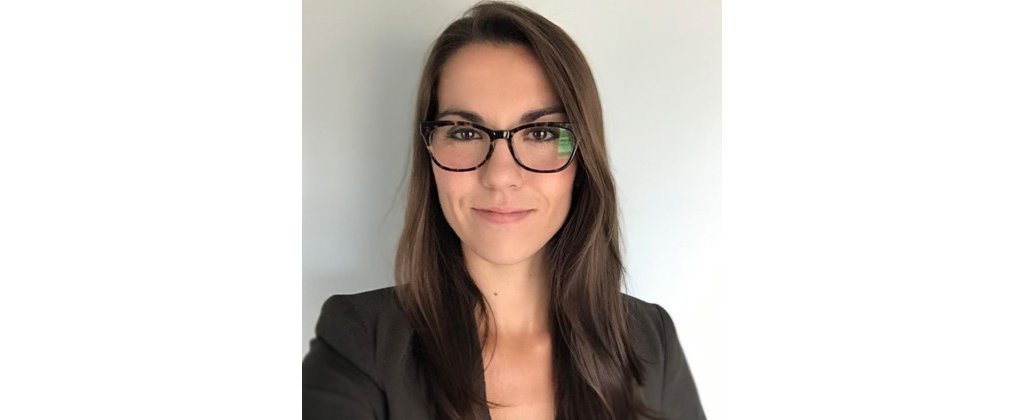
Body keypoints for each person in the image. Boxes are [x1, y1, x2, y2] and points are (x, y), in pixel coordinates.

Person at [302, 2, 706, 419]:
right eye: (464, 132)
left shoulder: (650, 340)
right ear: (430, 153)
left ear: (582, 157)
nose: (500, 176)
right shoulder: (359, 339)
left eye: (541, 132)